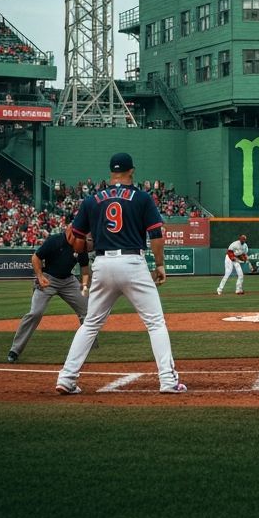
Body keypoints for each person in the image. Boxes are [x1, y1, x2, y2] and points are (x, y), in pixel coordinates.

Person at [55, 152, 186, 395]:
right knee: (155, 323)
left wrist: (94, 244)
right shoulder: (142, 197)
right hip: (132, 261)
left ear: (111, 172)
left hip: (103, 263)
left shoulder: (92, 200)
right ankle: (167, 380)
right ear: (131, 170)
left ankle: (66, 378)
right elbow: (156, 234)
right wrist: (160, 265)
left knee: (91, 324)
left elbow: (78, 241)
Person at [8, 225, 92, 363]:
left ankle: (88, 348)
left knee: (87, 312)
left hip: (68, 281)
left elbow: (84, 269)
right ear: (71, 233)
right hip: (48, 278)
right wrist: (40, 276)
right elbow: (36, 257)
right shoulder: (55, 241)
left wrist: (84, 286)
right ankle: (15, 350)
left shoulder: (80, 245)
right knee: (35, 312)